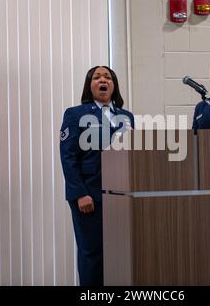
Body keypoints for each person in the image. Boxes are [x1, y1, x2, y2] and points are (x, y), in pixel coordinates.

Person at [59, 66, 134, 286]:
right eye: (97, 77)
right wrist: (80, 193)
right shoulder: (75, 114)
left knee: (120, 254)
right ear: (89, 85)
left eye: (108, 77)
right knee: (92, 254)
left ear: (114, 85)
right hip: (89, 195)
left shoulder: (126, 116)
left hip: (121, 196)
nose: (103, 80)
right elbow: (68, 157)